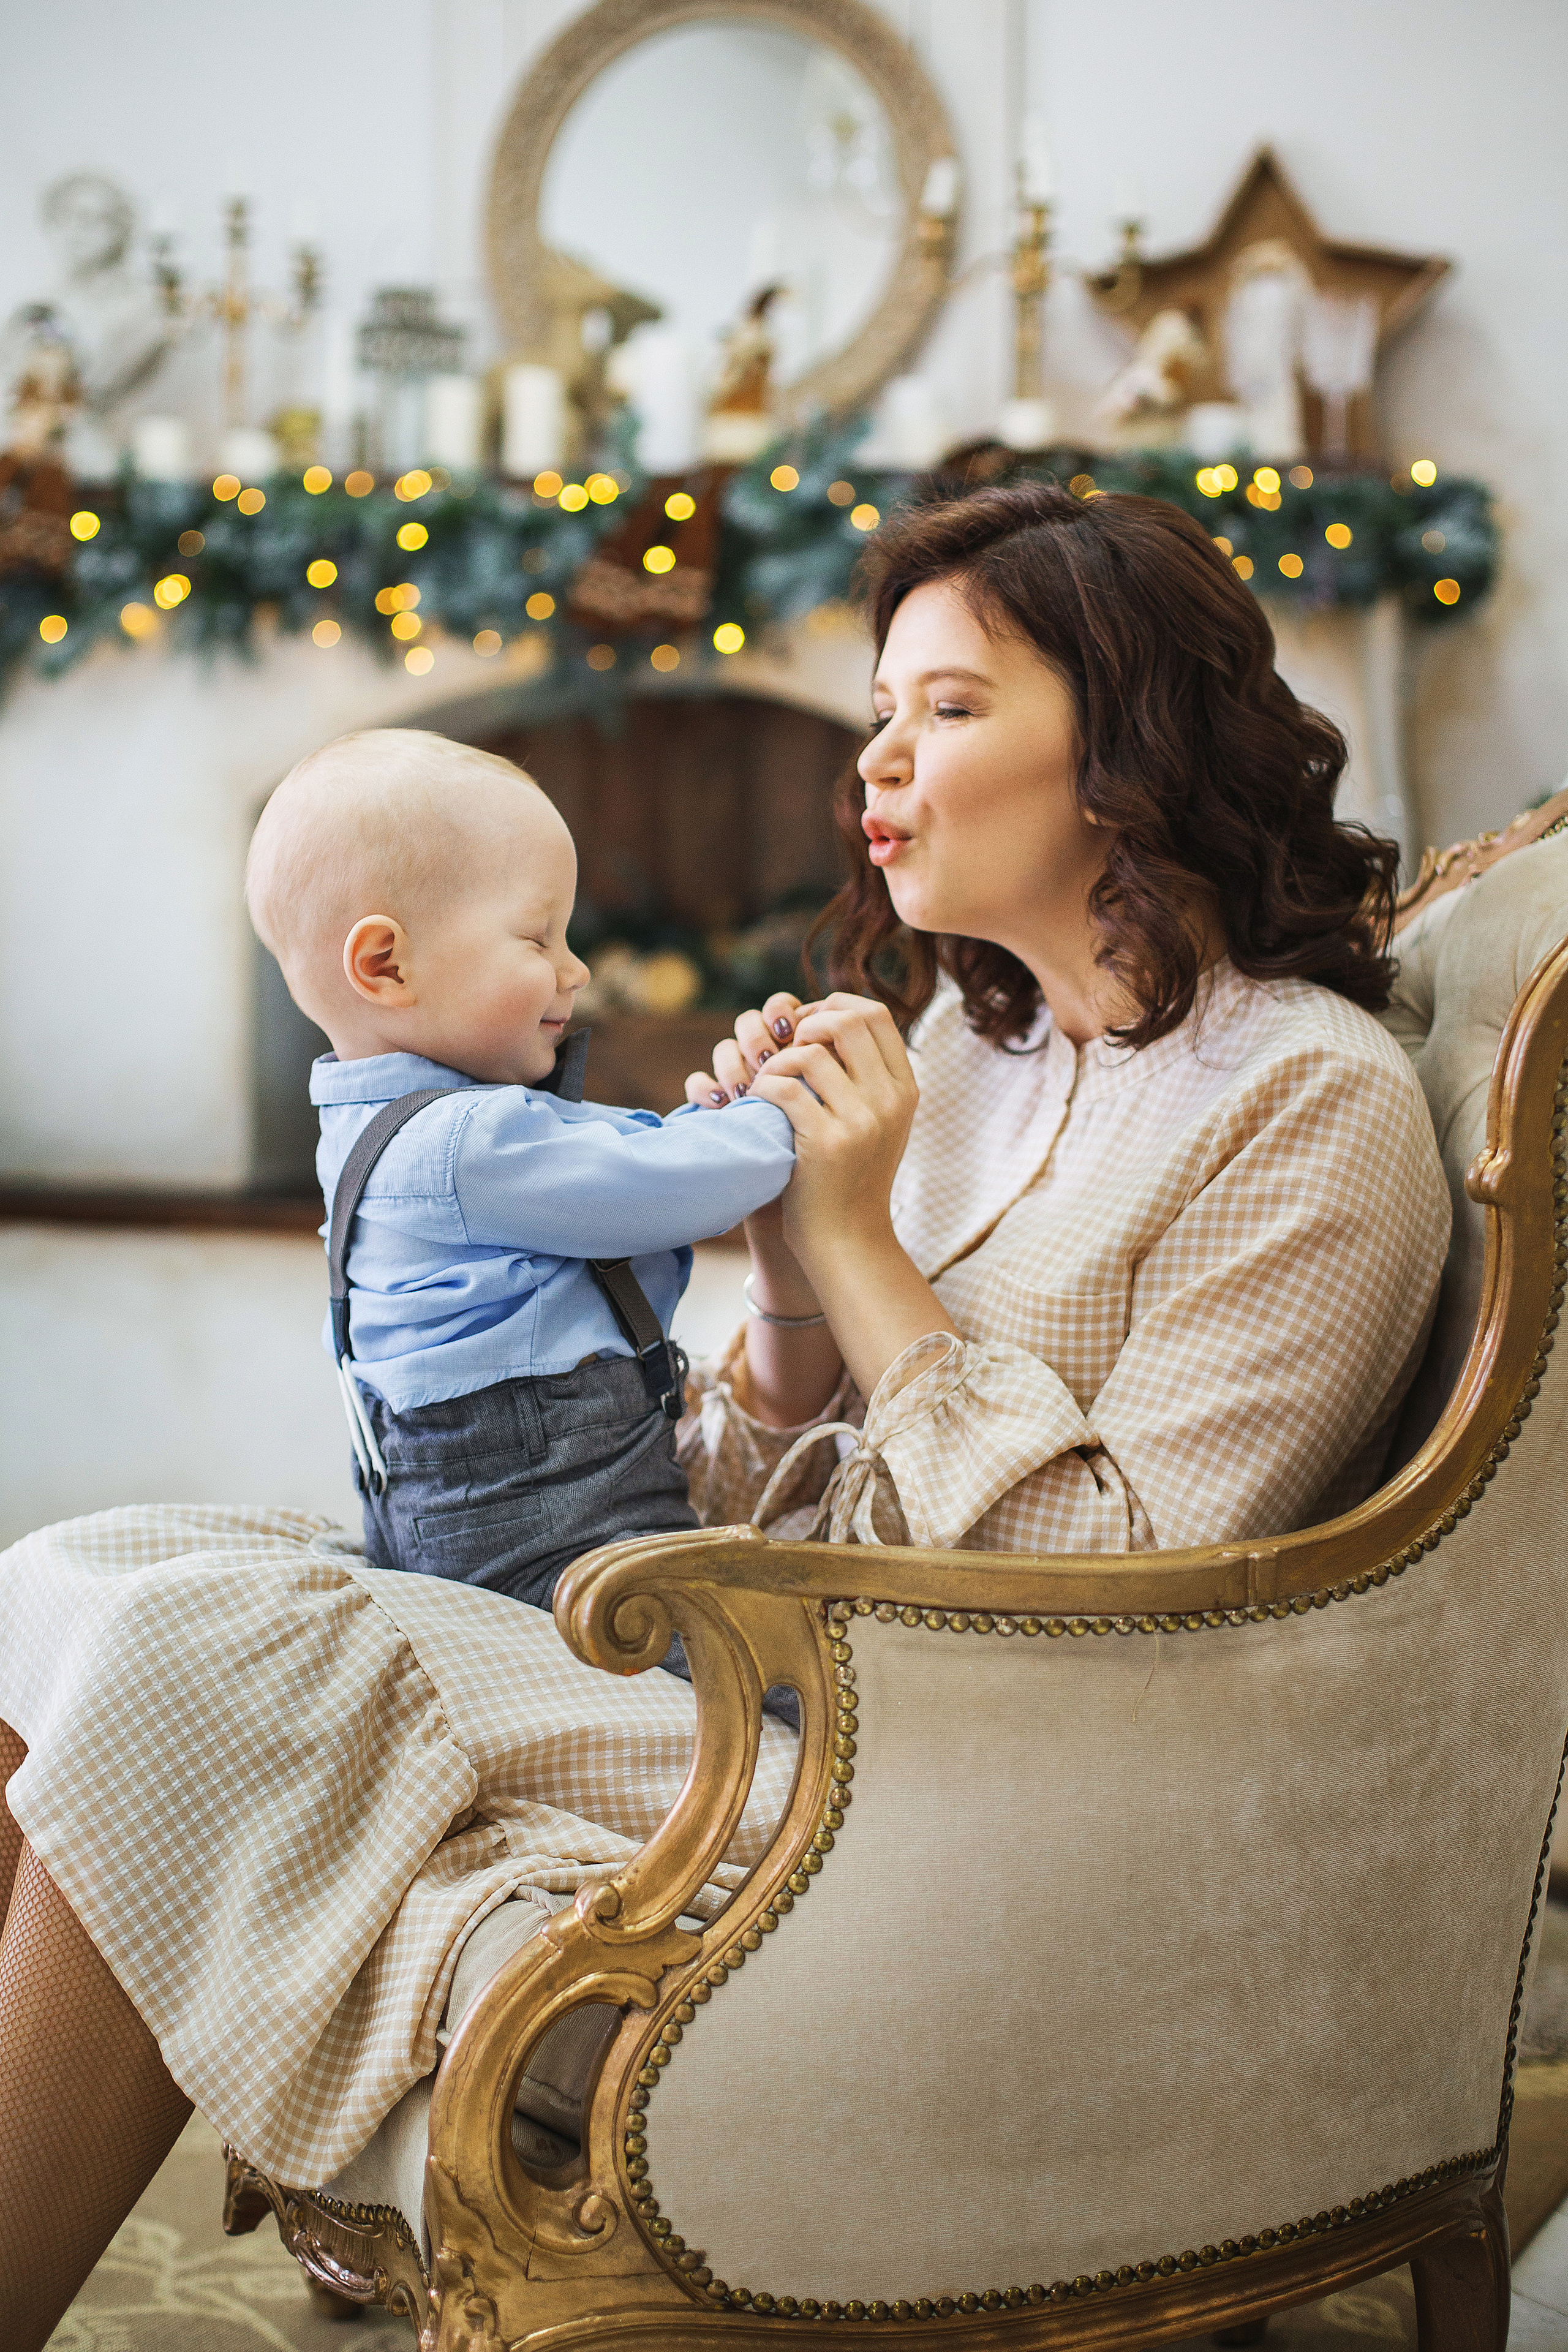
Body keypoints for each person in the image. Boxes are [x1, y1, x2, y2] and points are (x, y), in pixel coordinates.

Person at [0, 481, 1449, 2348]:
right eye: (875, 714)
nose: (884, 760)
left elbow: (1126, 1601)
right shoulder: (972, 1044)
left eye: (948, 708)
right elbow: (768, 1474)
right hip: (752, 1657)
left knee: (201, 1653)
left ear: (1126, 746)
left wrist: (855, 1248)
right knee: (91, 1574)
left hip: (961, 1774)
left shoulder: (1309, 1108)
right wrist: (781, 1270)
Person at [244, 728, 796, 1612]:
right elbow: (664, 1189)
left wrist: (717, 1118)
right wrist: (788, 1114)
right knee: (758, 1666)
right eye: (539, 939)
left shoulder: (372, 1126)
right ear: (386, 965)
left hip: (468, 1512)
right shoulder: (463, 1144)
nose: (575, 970)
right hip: (547, 1529)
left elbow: (624, 1161)